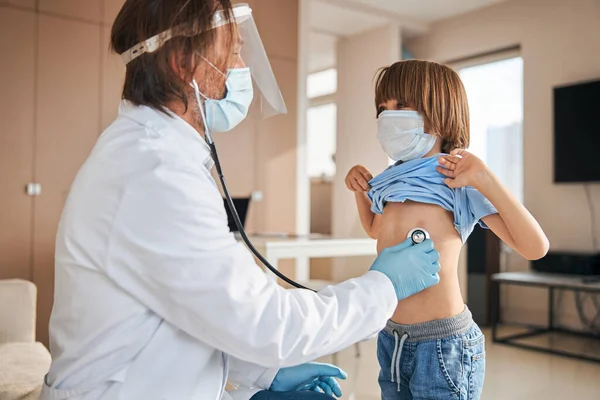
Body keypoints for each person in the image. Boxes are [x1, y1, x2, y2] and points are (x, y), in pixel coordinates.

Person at [39, 2, 442, 400]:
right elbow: (263, 323)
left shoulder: (154, 156)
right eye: (230, 52)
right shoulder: (155, 172)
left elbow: (196, 311)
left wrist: (264, 375)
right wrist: (384, 285)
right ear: (184, 62)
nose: (239, 66)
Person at [345, 60, 549, 400]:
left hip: (443, 346)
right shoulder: (388, 181)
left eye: (403, 106)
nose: (388, 116)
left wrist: (485, 179)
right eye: (383, 107)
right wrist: (360, 193)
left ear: (440, 114)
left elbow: (536, 247)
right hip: (391, 338)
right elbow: (375, 231)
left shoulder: (458, 180)